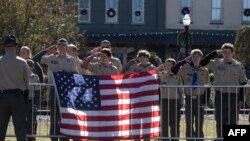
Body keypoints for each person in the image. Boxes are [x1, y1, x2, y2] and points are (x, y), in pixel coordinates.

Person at [200, 43, 247, 140]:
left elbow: (242, 83)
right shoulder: (216, 63)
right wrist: (214, 53)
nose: (226, 54)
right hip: (220, 96)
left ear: (233, 53)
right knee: (220, 119)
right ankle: (220, 138)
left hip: (234, 96)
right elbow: (202, 63)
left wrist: (241, 99)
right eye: (224, 52)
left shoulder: (238, 65)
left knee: (233, 120)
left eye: (228, 52)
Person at [41, 38, 76, 141]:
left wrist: (62, 73)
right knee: (54, 116)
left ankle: (64, 138)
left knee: (65, 116)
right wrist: (47, 49)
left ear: (66, 47)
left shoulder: (72, 60)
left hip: (66, 92)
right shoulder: (50, 58)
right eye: (59, 45)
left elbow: (74, 74)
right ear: (57, 46)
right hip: (54, 90)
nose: (61, 46)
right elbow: (36, 59)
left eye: (63, 45)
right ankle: (54, 138)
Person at [0, 35, 29, 141]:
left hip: (2, 97)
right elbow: (27, 83)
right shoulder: (22, 62)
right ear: (16, 47)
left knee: (1, 128)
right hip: (18, 97)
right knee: (20, 128)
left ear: (5, 47)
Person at [121, 49, 155, 141]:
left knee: (147, 121)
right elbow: (122, 72)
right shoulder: (134, 67)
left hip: (147, 98)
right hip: (136, 97)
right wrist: (131, 61)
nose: (142, 58)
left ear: (148, 58)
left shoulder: (152, 68)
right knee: (136, 120)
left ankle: (146, 139)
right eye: (140, 56)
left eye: (144, 56)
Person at [177, 49, 210, 141]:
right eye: (194, 56)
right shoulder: (184, 68)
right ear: (190, 57)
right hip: (189, 99)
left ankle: (199, 139)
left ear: (201, 57)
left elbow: (208, 87)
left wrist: (205, 101)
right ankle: (189, 139)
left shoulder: (205, 70)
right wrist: (184, 61)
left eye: (198, 56)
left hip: (200, 99)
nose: (196, 58)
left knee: (199, 122)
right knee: (189, 122)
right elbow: (174, 70)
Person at [157, 58, 183, 141]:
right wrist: (159, 67)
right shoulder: (161, 74)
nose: (168, 66)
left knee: (175, 124)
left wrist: (181, 101)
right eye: (166, 64)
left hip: (175, 101)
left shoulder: (178, 76)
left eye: (170, 64)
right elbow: (152, 73)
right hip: (164, 101)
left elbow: (181, 90)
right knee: (164, 124)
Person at [26, 59, 41, 141]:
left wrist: (35, 104)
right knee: (22, 120)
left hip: (31, 101)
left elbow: (37, 92)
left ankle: (32, 137)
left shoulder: (35, 77)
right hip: (22, 102)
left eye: (28, 65)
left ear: (31, 67)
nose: (26, 67)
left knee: (32, 120)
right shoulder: (20, 76)